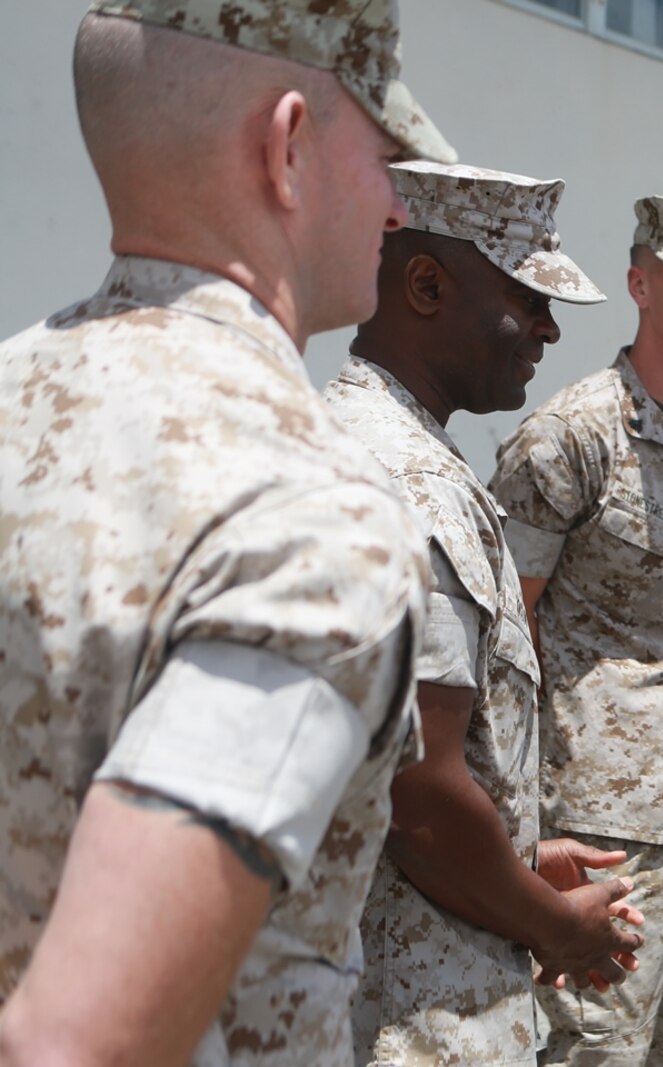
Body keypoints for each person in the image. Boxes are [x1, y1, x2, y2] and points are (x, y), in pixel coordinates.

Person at [0, 2, 454, 1064]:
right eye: (386, 159)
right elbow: (79, 1042)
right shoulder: (308, 514)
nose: (397, 208)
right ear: (285, 147)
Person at [323, 161, 647, 1067]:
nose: (547, 328)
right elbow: (416, 791)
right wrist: (556, 926)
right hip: (416, 1008)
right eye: (527, 298)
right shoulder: (408, 482)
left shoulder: (366, 441)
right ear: (426, 284)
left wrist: (515, 860)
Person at [488, 191, 663, 1066]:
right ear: (640, 283)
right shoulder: (571, 435)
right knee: (598, 1043)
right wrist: (513, 809)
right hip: (603, 801)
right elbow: (503, 629)